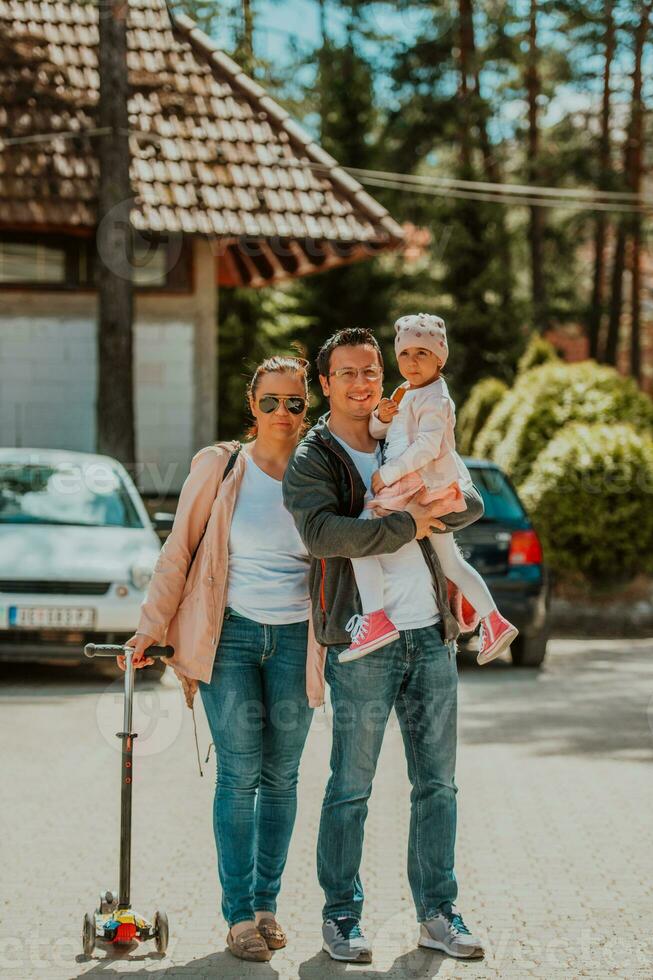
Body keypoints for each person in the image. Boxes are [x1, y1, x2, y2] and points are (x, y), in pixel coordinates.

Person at [283, 328, 486, 963]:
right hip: (363, 639)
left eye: (371, 370)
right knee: (351, 784)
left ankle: (437, 912)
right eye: (347, 372)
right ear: (326, 383)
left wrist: (440, 508)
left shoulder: (409, 424)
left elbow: (471, 498)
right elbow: (321, 534)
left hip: (430, 635)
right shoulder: (314, 456)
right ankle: (341, 916)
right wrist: (407, 522)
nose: (362, 382)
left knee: (438, 784)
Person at [121, 356, 324, 963]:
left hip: (297, 639)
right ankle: (237, 915)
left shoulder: (319, 470)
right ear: (251, 406)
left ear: (305, 409)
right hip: (228, 637)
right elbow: (177, 551)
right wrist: (150, 627)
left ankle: (267, 906)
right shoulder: (220, 466)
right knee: (239, 774)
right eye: (271, 402)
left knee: (282, 776)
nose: (282, 414)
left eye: (294, 403)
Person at [340, 312, 518, 665]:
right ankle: (494, 621)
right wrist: (382, 417)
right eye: (404, 353)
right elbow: (383, 435)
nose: (411, 361)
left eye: (421, 353)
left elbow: (427, 446)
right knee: (450, 561)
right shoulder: (407, 391)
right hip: (420, 487)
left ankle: (375, 618)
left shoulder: (436, 398)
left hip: (420, 485)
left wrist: (388, 474)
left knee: (360, 534)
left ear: (440, 357)